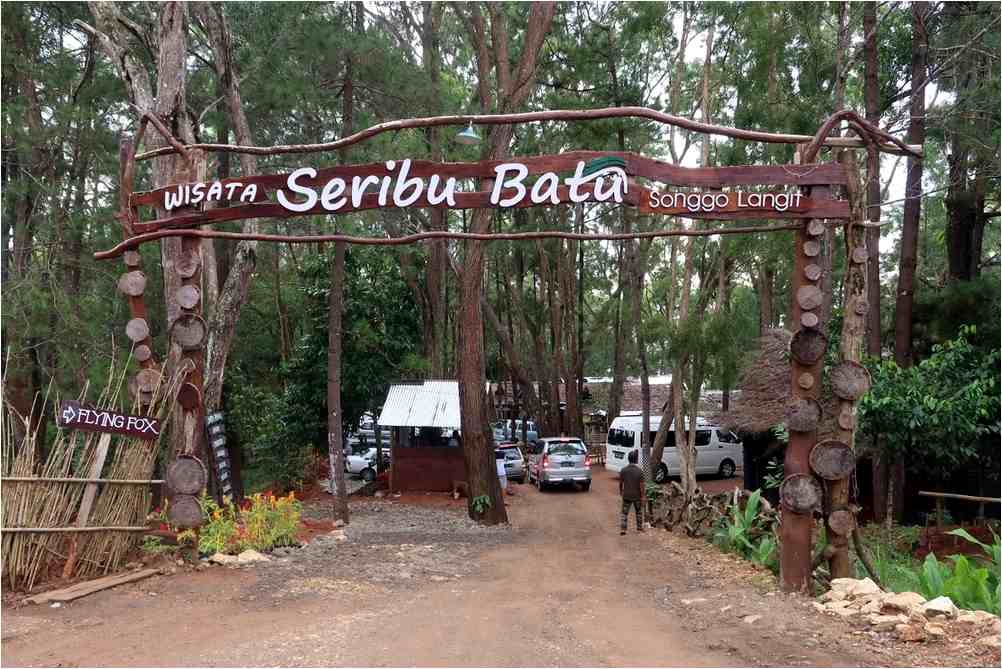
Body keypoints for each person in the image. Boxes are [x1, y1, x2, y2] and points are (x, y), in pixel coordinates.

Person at [619, 449, 645, 535]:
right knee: (638, 512)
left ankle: (623, 529)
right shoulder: (640, 471)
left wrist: (621, 491)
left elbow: (621, 483)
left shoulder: (623, 470)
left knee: (624, 513)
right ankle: (639, 528)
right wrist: (643, 496)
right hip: (637, 495)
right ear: (636, 460)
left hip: (626, 495)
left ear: (628, 459)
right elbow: (641, 485)